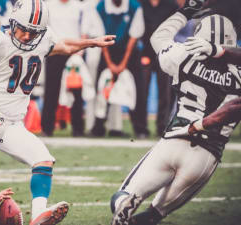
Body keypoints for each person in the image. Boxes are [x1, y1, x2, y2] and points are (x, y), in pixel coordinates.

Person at [0, 0, 115, 224]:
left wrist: (91, 43)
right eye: (24, 29)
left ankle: (38, 216)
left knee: (43, 160)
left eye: (34, 32)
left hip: (12, 124)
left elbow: (65, 46)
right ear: (13, 21)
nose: (27, 36)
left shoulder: (42, 39)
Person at [109, 0, 241, 224]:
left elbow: (157, 38)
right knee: (153, 216)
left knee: (122, 197)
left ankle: (125, 206)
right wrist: (221, 52)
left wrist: (185, 12)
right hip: (205, 156)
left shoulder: (183, 54)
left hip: (174, 140)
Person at [90, 0, 146, 138]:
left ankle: (140, 129)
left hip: (130, 53)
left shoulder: (134, 7)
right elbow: (100, 38)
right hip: (107, 50)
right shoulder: (100, 7)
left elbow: (134, 38)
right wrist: (109, 64)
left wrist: (123, 64)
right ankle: (98, 127)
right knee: (102, 88)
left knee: (138, 90)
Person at [40, 0, 87, 137]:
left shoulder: (78, 6)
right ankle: (47, 128)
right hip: (55, 51)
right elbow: (44, 30)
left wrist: (80, 51)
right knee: (51, 90)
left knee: (76, 91)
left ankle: (78, 129)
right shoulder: (48, 5)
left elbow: (83, 31)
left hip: (74, 52)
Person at [139, 0, 178, 136]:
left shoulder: (171, 5)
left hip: (165, 53)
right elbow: (137, 29)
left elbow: (175, 29)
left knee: (166, 93)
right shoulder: (140, 4)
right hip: (145, 53)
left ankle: (162, 127)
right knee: (142, 91)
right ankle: (141, 128)